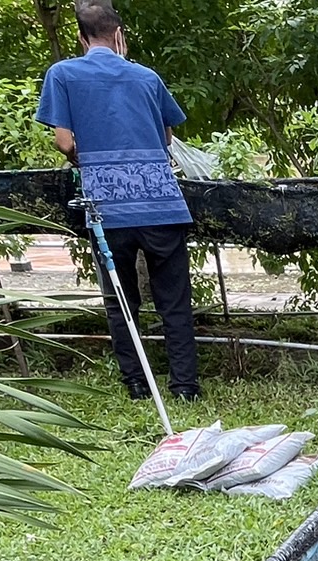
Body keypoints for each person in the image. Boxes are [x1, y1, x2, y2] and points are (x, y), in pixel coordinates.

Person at [36, 2, 201, 401]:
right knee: (174, 302)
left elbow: (63, 141)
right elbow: (166, 140)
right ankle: (185, 388)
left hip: (107, 209)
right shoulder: (146, 77)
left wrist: (88, 159)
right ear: (119, 35)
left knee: (121, 303)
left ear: (81, 37)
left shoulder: (62, 74)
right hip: (162, 203)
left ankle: (137, 384)